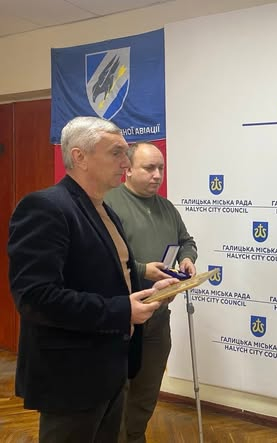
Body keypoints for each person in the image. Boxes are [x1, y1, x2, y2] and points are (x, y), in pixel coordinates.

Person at [7, 116, 174, 443]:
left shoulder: (104, 210)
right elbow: (35, 297)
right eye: (116, 153)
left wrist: (148, 292)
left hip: (111, 368)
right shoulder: (45, 207)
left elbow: (108, 280)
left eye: (126, 153)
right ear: (79, 156)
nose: (125, 163)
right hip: (71, 377)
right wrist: (122, 311)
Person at [104, 141, 197, 443]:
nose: (157, 175)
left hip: (158, 316)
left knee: (146, 391)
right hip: (123, 318)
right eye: (149, 168)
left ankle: (136, 437)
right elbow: (104, 258)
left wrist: (187, 258)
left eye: (161, 168)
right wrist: (144, 270)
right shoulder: (109, 204)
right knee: (118, 393)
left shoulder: (166, 207)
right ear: (128, 169)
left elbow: (186, 241)